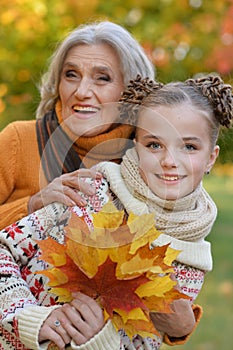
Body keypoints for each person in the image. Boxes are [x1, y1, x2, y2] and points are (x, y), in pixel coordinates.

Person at [1, 74, 231, 349]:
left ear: (211, 158)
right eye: (154, 145)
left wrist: (100, 341)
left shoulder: (191, 257)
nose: (170, 161)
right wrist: (29, 318)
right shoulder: (93, 191)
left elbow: (144, 343)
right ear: (136, 146)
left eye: (189, 147)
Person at [0, 20, 155, 231]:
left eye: (102, 78)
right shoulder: (19, 139)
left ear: (132, 90)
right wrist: (31, 205)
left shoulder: (149, 153)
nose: (82, 91)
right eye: (71, 75)